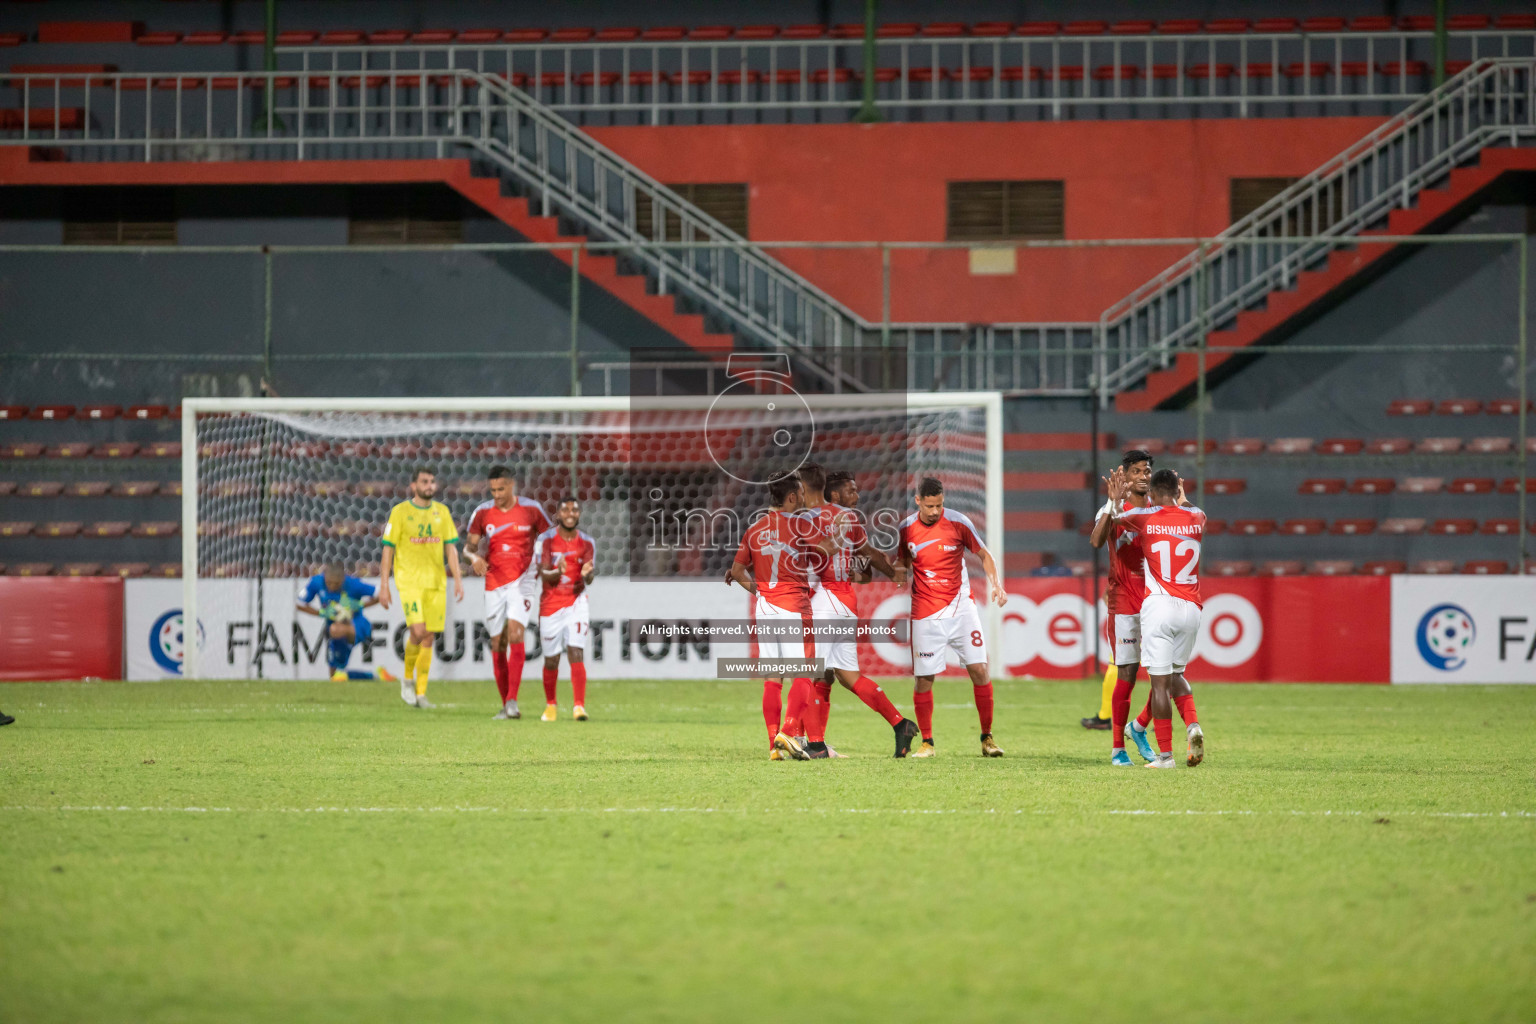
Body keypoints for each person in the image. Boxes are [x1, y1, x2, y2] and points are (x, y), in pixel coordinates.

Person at [807, 468, 921, 758]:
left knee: (808, 673)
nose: (857, 495)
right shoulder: (851, 520)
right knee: (843, 676)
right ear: (834, 493)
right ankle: (900, 724)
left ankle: (807, 741)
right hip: (846, 603)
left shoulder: (816, 517)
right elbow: (869, 554)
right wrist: (895, 571)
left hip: (827, 600)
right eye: (851, 490)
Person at [897, 478, 1009, 758]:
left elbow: (985, 555)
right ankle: (927, 743)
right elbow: (901, 563)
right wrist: (896, 573)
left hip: (961, 608)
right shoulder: (906, 529)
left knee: (980, 670)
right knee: (924, 678)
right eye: (930, 505)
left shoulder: (959, 522)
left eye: (940, 504)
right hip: (925, 612)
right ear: (918, 500)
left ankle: (987, 738)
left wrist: (996, 584)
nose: (935, 511)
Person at [1113, 469, 1207, 768]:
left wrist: (1115, 499)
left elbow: (1116, 519)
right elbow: (1190, 507)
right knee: (1177, 676)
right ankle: (1193, 726)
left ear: (1152, 495)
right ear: (1178, 489)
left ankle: (1165, 756)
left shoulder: (1145, 517)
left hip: (1160, 606)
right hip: (1192, 609)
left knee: (1160, 685)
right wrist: (1182, 495)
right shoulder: (1197, 518)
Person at [729, 473, 817, 761]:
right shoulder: (801, 526)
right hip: (794, 606)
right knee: (804, 672)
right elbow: (829, 550)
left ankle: (773, 746)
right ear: (791, 497)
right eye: (801, 494)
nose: (804, 499)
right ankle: (789, 732)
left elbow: (737, 571)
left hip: (765, 606)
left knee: (772, 677)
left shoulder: (754, 529)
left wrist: (761, 591)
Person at [465, 466, 551, 720]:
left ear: (512, 485)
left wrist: (544, 563)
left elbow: (549, 539)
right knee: (497, 642)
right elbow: (468, 548)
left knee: (516, 633)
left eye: (501, 489)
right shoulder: (482, 513)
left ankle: (512, 700)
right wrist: (474, 559)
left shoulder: (531, 509)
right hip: (494, 582)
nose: (497, 494)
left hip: (523, 580)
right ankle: (506, 704)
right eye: (493, 490)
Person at [1087, 450, 1156, 764]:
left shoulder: (1159, 507)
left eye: (1148, 471)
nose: (1144, 476)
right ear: (1125, 476)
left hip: (1158, 602)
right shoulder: (1114, 507)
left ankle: (1139, 725)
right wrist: (1112, 506)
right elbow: (1096, 541)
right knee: (1127, 673)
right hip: (1125, 601)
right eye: (1138, 471)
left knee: (1166, 674)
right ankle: (1118, 748)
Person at [378, 467, 465, 709]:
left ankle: (421, 692)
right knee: (417, 630)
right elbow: (388, 549)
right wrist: (384, 585)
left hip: (436, 582)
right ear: (414, 485)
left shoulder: (442, 512)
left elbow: (451, 548)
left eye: (432, 481)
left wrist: (457, 578)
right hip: (409, 581)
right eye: (424, 481)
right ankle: (407, 679)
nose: (429, 485)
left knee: (428, 637)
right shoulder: (400, 512)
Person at [534, 498, 596, 722]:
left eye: (575, 509)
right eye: (566, 509)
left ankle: (579, 706)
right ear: (558, 515)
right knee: (551, 660)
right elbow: (543, 574)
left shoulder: (587, 543)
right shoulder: (546, 540)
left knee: (575, 651)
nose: (570, 513)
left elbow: (589, 576)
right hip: (550, 605)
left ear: (579, 514)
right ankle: (551, 705)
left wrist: (588, 572)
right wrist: (557, 572)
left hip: (576, 602)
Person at [295, 562, 397, 683]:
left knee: (335, 629)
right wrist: (321, 613)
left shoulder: (353, 584)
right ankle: (374, 675)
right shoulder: (316, 582)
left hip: (358, 624)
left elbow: (381, 594)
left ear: (343, 579)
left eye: (336, 584)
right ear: (324, 578)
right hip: (334, 630)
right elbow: (300, 604)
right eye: (329, 583)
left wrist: (360, 605)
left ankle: (344, 669)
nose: (332, 586)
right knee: (335, 677)